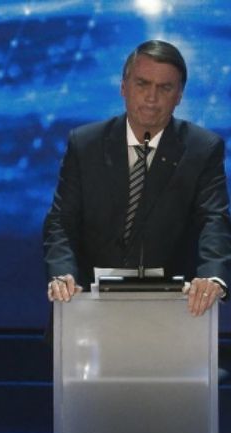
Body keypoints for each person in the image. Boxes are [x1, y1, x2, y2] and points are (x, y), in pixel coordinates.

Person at [43, 39, 231, 314]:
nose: (152, 98)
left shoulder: (203, 149)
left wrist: (212, 276)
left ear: (179, 95)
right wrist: (62, 273)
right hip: (86, 306)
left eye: (165, 88)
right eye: (142, 84)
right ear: (124, 87)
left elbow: (213, 220)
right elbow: (61, 220)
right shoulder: (85, 144)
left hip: (172, 309)